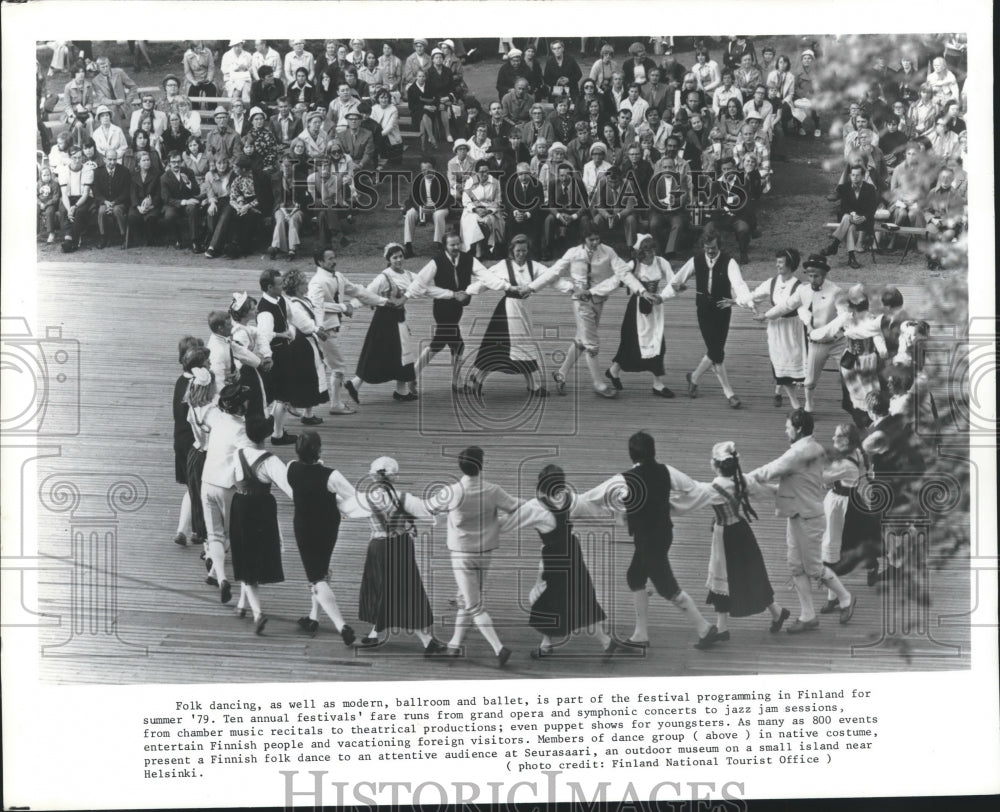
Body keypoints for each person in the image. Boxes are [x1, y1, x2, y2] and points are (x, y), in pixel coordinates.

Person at [582, 431, 723, 649]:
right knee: (635, 576)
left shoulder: (624, 480)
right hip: (664, 533)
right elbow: (691, 488)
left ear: (631, 455)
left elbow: (592, 497)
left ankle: (704, 628)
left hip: (647, 539)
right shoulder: (667, 471)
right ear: (653, 450)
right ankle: (640, 634)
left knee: (667, 588)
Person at [746, 409, 857, 633]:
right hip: (799, 513)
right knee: (796, 567)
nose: (785, 430)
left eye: (788, 427)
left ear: (797, 429)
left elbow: (770, 470)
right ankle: (808, 615)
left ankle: (846, 598)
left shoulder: (798, 453)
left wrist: (742, 479)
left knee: (814, 567)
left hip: (808, 517)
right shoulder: (813, 447)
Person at [498, 464, 618, 659]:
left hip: (554, 559)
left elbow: (506, 524)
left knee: (542, 597)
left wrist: (482, 521)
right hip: (572, 553)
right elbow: (596, 511)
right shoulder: (572, 500)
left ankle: (548, 645)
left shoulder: (536, 507)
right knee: (581, 597)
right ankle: (604, 641)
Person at [431, 447, 520, 666]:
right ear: (482, 464)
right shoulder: (493, 491)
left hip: (461, 554)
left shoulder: (453, 491)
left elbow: (430, 507)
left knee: (474, 605)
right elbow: (515, 507)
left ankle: (499, 648)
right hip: (484, 552)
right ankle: (454, 644)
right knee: (467, 596)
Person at [697, 442, 790, 639]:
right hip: (742, 531)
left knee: (723, 576)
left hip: (725, 535)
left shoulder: (713, 488)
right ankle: (775, 612)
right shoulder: (742, 480)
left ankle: (724, 627)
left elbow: (690, 498)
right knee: (751, 574)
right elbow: (769, 491)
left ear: (715, 465)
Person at [354, 456, 446, 654]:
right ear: (394, 477)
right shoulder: (405, 498)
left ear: (373, 477)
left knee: (382, 590)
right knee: (407, 591)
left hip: (378, 547)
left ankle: (375, 635)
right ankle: (426, 640)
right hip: (400, 546)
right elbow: (428, 509)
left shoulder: (364, 499)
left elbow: (345, 507)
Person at [286, 431, 363, 645]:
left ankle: (341, 625)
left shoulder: (291, 468)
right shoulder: (331, 475)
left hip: (303, 526)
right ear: (319, 449)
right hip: (328, 526)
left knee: (316, 577)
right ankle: (313, 617)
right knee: (320, 571)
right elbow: (354, 497)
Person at [466, 234, 561, 397]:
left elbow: (551, 277)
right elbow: (485, 282)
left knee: (522, 348)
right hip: (507, 312)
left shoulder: (534, 266)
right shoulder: (503, 266)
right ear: (512, 250)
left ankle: (532, 386)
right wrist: (467, 292)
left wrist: (573, 288)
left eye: (524, 250)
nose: (521, 254)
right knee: (500, 349)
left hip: (524, 311)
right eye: (518, 251)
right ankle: (481, 382)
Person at [670, 224, 754, 408]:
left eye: (713, 248)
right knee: (717, 352)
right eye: (707, 248)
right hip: (703, 310)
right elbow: (676, 281)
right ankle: (729, 393)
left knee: (716, 351)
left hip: (722, 310)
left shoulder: (729, 262)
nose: (710, 252)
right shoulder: (696, 260)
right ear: (703, 247)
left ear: (720, 246)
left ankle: (694, 377)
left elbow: (738, 284)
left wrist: (744, 300)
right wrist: (678, 287)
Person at [549, 225, 634, 398]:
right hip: (581, 302)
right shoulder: (573, 253)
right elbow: (553, 272)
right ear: (583, 240)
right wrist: (570, 287)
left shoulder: (608, 252)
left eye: (597, 238)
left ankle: (561, 374)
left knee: (582, 339)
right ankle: (598, 383)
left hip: (598, 298)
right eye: (591, 239)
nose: (595, 242)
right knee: (591, 343)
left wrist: (628, 277)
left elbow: (622, 269)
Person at [308, 247, 393, 415]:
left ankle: (313, 407)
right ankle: (335, 404)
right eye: (330, 258)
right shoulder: (317, 282)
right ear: (320, 262)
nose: (334, 261)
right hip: (322, 330)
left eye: (334, 257)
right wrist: (342, 307)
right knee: (337, 366)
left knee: (327, 366)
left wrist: (383, 301)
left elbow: (358, 292)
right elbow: (314, 305)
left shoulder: (338, 277)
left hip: (330, 328)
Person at [229, 415, 291, 634]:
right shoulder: (270, 460)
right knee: (253, 560)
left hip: (240, 505)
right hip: (262, 508)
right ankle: (257, 613)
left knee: (244, 556)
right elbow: (289, 488)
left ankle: (243, 605)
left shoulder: (237, 453)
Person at [405, 231, 486, 392]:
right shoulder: (437, 261)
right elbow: (420, 281)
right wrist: (406, 296)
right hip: (442, 308)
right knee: (452, 345)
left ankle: (417, 376)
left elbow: (485, 275)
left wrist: (469, 291)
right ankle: (453, 382)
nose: (456, 247)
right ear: (445, 246)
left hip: (457, 309)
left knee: (446, 345)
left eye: (458, 244)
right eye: (452, 245)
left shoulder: (468, 259)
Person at [604, 234, 677, 398]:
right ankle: (614, 370)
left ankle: (658, 384)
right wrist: (597, 292)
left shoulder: (661, 262)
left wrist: (665, 295)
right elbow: (617, 279)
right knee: (631, 343)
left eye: (652, 249)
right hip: (637, 308)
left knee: (658, 343)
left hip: (656, 306)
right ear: (641, 252)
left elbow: (673, 282)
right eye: (646, 250)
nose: (650, 254)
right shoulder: (634, 265)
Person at [200, 382, 252, 605]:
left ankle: (219, 577)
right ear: (241, 407)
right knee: (229, 534)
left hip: (207, 480)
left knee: (214, 536)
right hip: (227, 485)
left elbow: (205, 410)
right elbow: (246, 457)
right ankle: (219, 577)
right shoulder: (242, 430)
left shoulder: (217, 419)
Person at [810, 284, 888, 429]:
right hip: (868, 361)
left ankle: (861, 419)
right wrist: (884, 353)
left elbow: (827, 332)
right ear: (867, 303)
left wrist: (812, 334)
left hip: (849, 360)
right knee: (870, 391)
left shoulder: (846, 318)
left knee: (854, 393)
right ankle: (871, 420)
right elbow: (882, 349)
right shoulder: (872, 320)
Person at [347, 244, 418, 402]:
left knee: (403, 354)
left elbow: (422, 282)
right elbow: (366, 293)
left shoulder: (408, 274)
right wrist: (352, 305)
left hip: (399, 317)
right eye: (394, 257)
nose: (399, 260)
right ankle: (354, 383)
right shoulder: (384, 277)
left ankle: (402, 391)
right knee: (376, 353)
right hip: (384, 319)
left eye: (400, 256)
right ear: (388, 259)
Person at [821, 424, 880, 595]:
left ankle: (834, 595)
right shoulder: (857, 452)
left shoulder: (844, 464)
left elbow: (821, 477)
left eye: (836, 435)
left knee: (836, 542)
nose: (833, 438)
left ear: (846, 440)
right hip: (854, 501)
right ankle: (871, 565)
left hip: (841, 505)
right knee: (859, 538)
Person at [749, 249, 807, 409]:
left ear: (790, 264)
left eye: (780, 262)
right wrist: (739, 301)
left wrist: (765, 315)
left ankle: (778, 390)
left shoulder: (798, 286)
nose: (777, 265)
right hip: (776, 329)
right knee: (780, 361)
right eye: (777, 261)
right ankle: (796, 404)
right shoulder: (772, 282)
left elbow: (785, 307)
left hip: (792, 328)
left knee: (791, 361)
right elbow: (754, 295)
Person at [255, 269, 299, 446]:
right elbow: (263, 337)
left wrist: (290, 332)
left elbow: (289, 317)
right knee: (282, 395)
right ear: (269, 287)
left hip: (284, 351)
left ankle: (276, 429)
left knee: (282, 394)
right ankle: (278, 434)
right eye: (280, 284)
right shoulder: (265, 311)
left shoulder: (280, 300)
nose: (283, 286)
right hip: (276, 355)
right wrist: (268, 356)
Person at [282, 269, 333, 424]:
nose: (307, 285)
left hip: (308, 341)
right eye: (304, 283)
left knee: (312, 376)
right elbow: (304, 324)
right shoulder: (295, 304)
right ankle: (290, 403)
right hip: (300, 344)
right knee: (305, 376)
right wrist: (317, 330)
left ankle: (308, 414)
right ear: (297, 287)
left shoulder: (304, 300)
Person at [172, 337, 205, 547]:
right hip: (194, 442)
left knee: (190, 488)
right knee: (199, 487)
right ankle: (197, 531)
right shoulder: (197, 385)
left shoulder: (180, 381)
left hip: (180, 438)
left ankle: (181, 530)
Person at [183, 357, 215, 561]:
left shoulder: (192, 407)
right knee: (211, 501)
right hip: (210, 456)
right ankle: (211, 542)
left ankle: (202, 536)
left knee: (197, 497)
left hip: (195, 452)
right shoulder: (212, 411)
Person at [821, 165, 879, 269]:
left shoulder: (870, 189)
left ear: (863, 176)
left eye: (857, 175)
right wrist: (853, 213)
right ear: (849, 175)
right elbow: (844, 207)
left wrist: (864, 217)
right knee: (849, 224)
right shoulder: (845, 188)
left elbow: (873, 208)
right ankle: (852, 258)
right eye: (852, 175)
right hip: (851, 218)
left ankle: (834, 245)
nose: (854, 177)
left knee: (846, 220)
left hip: (865, 221)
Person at [403, 155, 450, 257]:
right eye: (423, 170)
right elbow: (413, 198)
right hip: (422, 208)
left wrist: (433, 208)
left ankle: (439, 245)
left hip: (439, 207)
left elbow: (446, 198)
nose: (426, 172)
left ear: (434, 168)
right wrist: (421, 208)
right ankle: (408, 245)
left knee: (438, 215)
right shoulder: (418, 180)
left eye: (429, 169)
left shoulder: (441, 179)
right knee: (410, 214)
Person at [160, 150, 202, 252]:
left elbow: (197, 191)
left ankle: (194, 241)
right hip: (173, 204)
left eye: (178, 162)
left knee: (192, 209)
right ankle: (177, 239)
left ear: (181, 162)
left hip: (188, 203)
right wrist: (183, 202)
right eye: (173, 162)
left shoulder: (188, 172)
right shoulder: (164, 178)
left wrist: (188, 183)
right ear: (169, 163)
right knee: (169, 215)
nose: (176, 164)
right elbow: (166, 199)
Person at [57, 145, 95, 252]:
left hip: (83, 198)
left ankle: (73, 241)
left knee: (79, 211)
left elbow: (86, 194)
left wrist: (75, 206)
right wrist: (69, 209)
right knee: (64, 211)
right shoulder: (63, 171)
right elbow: (64, 194)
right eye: (74, 158)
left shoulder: (88, 170)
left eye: (79, 157)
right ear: (69, 158)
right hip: (68, 198)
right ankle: (68, 238)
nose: (77, 160)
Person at [91, 147, 130, 249]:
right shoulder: (98, 172)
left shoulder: (124, 171)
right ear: (104, 159)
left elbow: (126, 192)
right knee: (101, 211)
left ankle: (123, 237)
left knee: (117, 210)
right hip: (104, 202)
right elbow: (96, 191)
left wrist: (115, 202)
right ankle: (103, 237)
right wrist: (105, 201)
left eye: (114, 159)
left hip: (119, 202)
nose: (112, 162)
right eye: (110, 159)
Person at [126, 149, 160, 248]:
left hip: (152, 204)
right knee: (132, 217)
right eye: (144, 160)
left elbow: (158, 193)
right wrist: (138, 207)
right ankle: (138, 239)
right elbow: (132, 193)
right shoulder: (133, 175)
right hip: (138, 204)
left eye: (148, 160)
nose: (147, 162)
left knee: (151, 218)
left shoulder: (156, 174)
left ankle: (149, 239)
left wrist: (151, 205)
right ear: (138, 163)